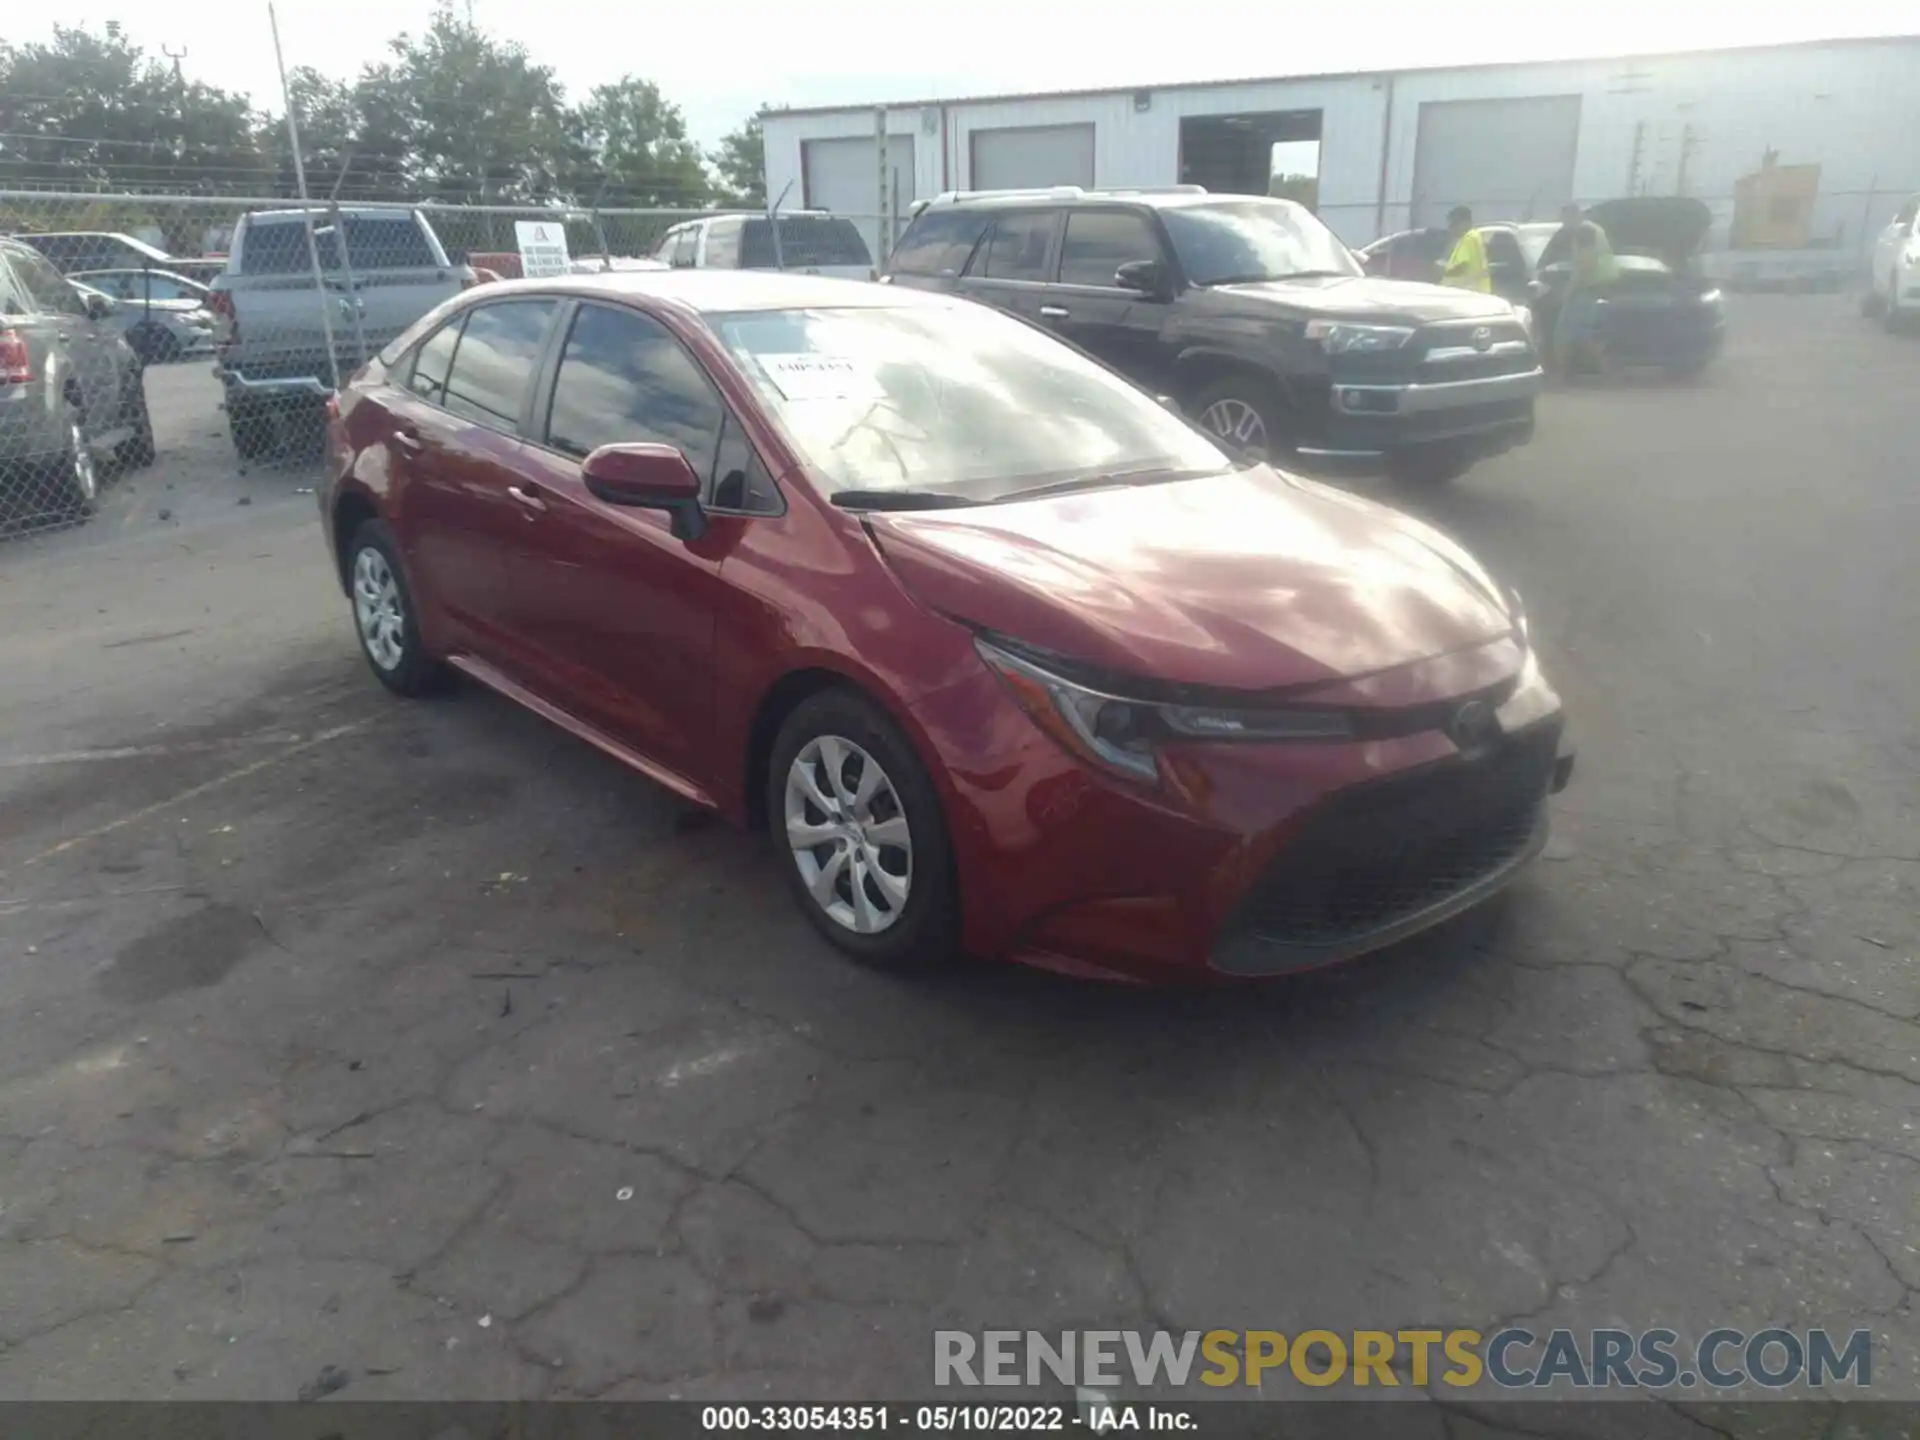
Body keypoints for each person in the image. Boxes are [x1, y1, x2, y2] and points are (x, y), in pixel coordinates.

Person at [1552, 208, 1620, 377]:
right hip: (1595, 288)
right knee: (1582, 337)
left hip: (1584, 289)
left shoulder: (1584, 232)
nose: (1565, 225)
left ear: (1573, 216)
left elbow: (1584, 266)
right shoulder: (1595, 229)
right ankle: (1608, 373)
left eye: (1565, 220)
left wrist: (1569, 291)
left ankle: (1560, 378)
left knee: (1562, 335)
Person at [1440, 205, 1490, 292]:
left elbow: (1461, 267)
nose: (1451, 229)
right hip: (1476, 291)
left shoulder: (1468, 238)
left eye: (1453, 225)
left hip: (1468, 293)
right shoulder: (1474, 236)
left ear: (1465, 223)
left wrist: (1442, 273)